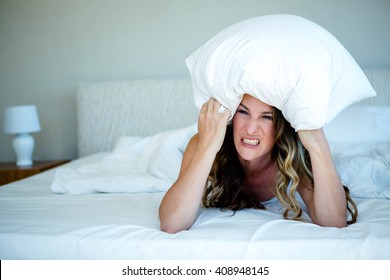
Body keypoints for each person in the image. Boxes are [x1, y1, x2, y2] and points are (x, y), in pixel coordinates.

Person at [159, 94, 358, 233]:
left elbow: (333, 222)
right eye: (243, 112)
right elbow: (172, 224)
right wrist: (208, 147)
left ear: (282, 126)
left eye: (266, 117)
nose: (251, 129)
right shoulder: (205, 142)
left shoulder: (293, 154)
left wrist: (318, 147)